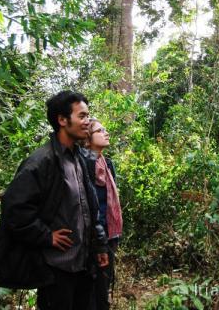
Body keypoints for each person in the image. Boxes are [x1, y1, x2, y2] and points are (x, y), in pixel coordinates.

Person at [0, 91, 109, 310]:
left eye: (88, 116)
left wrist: (99, 245)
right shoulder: (41, 161)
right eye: (82, 116)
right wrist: (46, 236)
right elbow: (14, 208)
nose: (88, 122)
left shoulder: (79, 159)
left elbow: (90, 208)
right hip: (56, 270)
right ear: (62, 120)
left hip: (84, 265)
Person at [81, 118, 123, 310]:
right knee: (89, 288)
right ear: (88, 139)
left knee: (103, 286)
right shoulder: (82, 163)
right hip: (90, 236)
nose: (106, 133)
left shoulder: (109, 165)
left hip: (109, 233)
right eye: (100, 130)